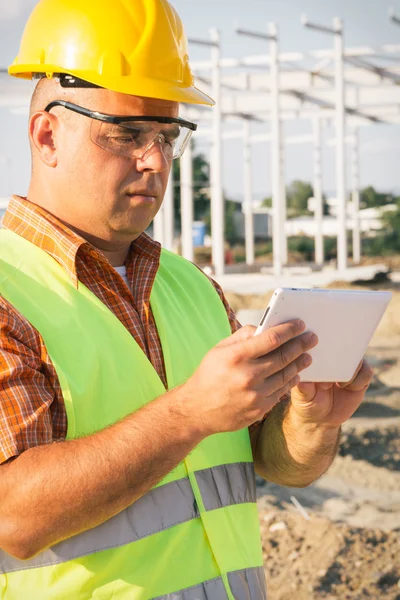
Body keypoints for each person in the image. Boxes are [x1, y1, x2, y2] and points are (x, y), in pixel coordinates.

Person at [0, 0, 373, 598]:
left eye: (167, 137)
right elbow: (13, 517)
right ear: (47, 135)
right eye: (125, 134)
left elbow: (272, 463)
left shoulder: (192, 287)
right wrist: (192, 412)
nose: (153, 160)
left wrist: (309, 421)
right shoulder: (6, 292)